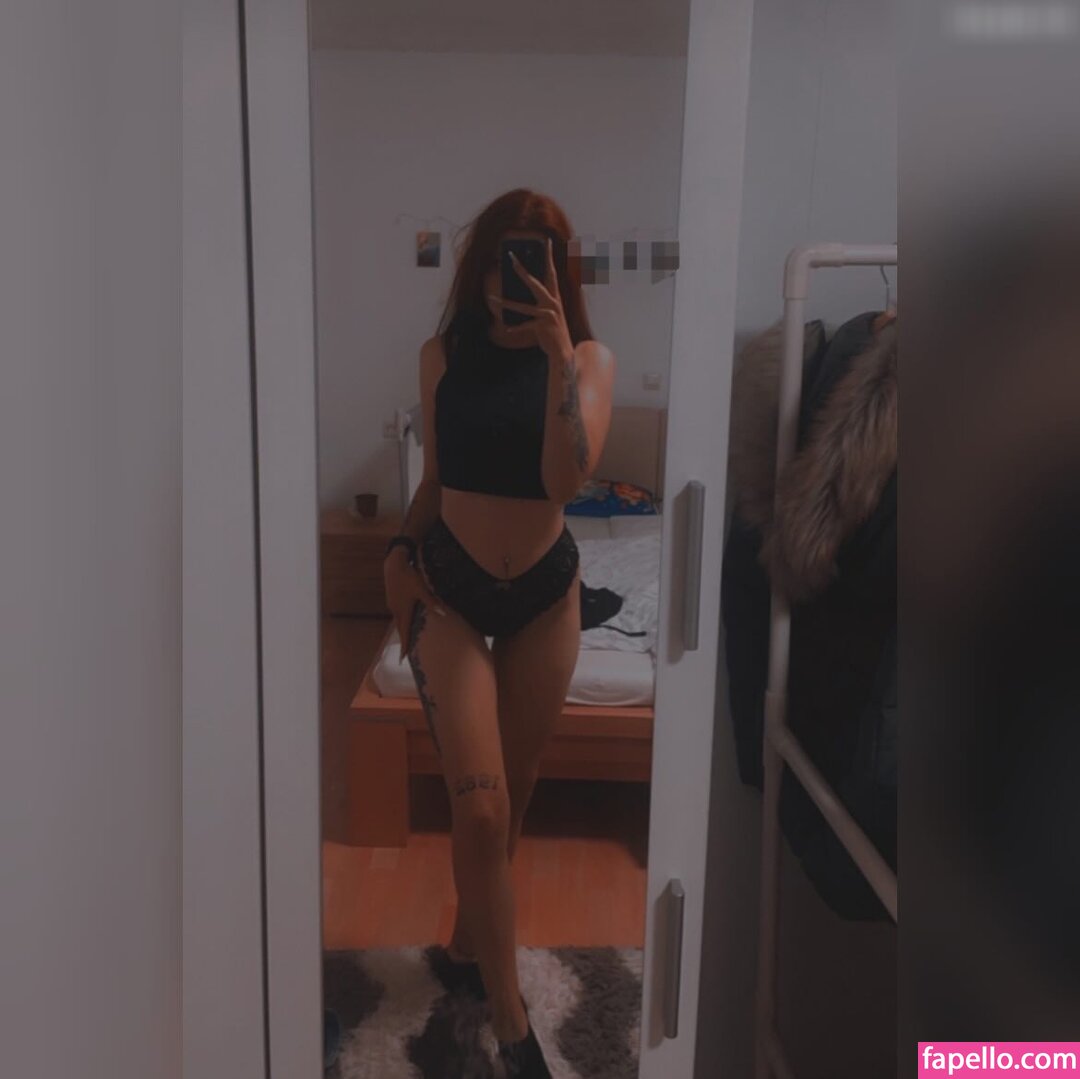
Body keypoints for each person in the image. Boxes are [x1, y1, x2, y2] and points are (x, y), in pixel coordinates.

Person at [382, 188, 615, 1077]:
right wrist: (397, 551)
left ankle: (462, 942)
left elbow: (564, 481)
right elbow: (436, 478)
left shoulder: (588, 359)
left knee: (508, 804)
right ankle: (512, 1027)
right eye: (500, 260)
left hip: (546, 599)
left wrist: (557, 358)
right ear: (478, 266)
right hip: (450, 588)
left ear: (560, 274)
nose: (509, 280)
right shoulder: (441, 356)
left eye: (533, 262)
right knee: (478, 809)